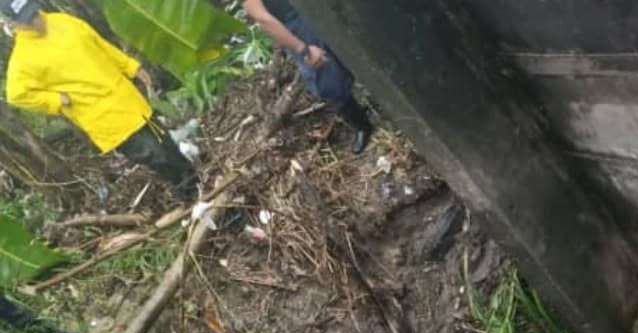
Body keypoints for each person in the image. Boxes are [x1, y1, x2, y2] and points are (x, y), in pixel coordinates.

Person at [3, 2, 197, 200]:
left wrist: (132, 67)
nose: (36, 22)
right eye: (28, 21)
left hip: (126, 97)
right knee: (155, 155)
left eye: (34, 14)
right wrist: (55, 100)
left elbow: (101, 46)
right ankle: (189, 192)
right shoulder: (23, 59)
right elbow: (16, 95)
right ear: (14, 24)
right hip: (102, 117)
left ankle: (195, 184)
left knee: (165, 142)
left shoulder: (63, 21)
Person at [242, 0, 372, 154]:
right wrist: (303, 49)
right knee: (327, 79)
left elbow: (263, 19)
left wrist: (302, 50)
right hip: (295, 20)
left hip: (309, 12)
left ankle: (364, 118)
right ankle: (361, 122)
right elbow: (263, 18)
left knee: (333, 71)